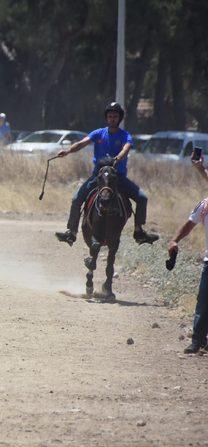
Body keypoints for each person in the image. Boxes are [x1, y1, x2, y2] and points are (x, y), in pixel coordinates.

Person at [54, 102, 159, 246]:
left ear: (119, 118)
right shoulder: (98, 133)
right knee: (76, 199)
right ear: (106, 118)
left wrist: (118, 158)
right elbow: (82, 143)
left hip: (118, 178)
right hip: (99, 177)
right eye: (110, 116)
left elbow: (126, 147)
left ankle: (139, 231)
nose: (112, 119)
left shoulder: (125, 135)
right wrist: (67, 151)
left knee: (142, 197)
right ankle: (71, 232)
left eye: (115, 116)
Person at [168, 198, 208, 353]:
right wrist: (174, 240)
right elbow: (189, 225)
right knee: (203, 303)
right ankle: (198, 341)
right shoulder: (205, 205)